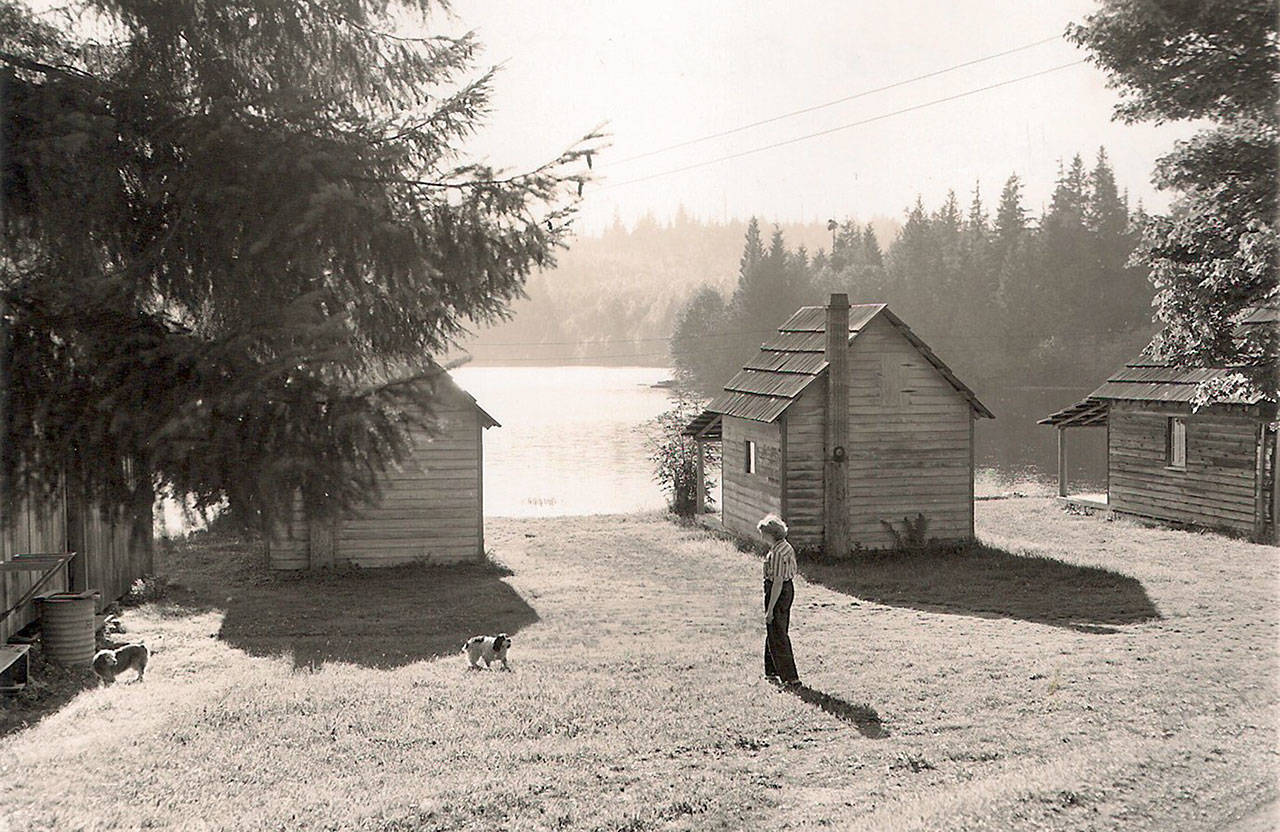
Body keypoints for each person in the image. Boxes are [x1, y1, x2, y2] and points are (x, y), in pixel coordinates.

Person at [758, 513, 799, 685]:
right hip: (788, 589)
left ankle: (791, 678)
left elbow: (777, 583)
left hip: (778, 591)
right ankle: (771, 670)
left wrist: (770, 609)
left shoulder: (776, 554)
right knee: (774, 630)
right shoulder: (786, 547)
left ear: (770, 534)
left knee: (778, 633)